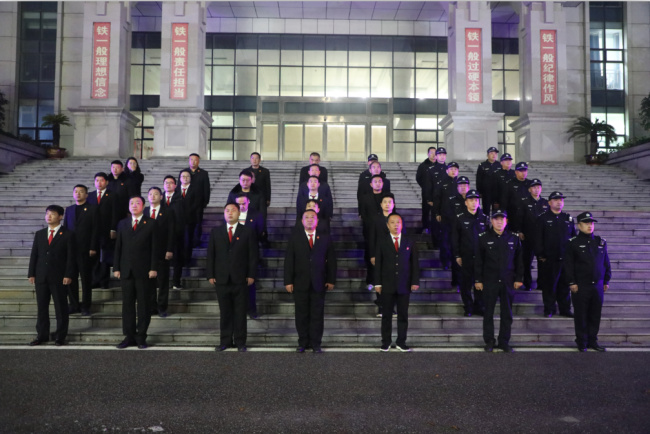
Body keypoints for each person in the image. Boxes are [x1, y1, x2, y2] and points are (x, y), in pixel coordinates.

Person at [207, 203, 259, 352]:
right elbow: (211, 255)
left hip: (241, 278)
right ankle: (225, 341)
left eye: (233, 210)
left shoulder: (247, 231)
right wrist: (210, 274)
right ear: (224, 213)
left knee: (240, 312)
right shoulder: (216, 232)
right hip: (221, 278)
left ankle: (241, 342)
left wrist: (251, 274)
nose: (230, 213)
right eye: (227, 210)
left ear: (239, 213)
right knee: (225, 312)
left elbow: (253, 255)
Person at [284, 209, 337, 353]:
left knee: (317, 315)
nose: (309, 219)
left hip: (319, 282)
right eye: (306, 217)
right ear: (302, 221)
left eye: (312, 217)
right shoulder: (295, 238)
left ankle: (316, 343)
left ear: (317, 221)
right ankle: (303, 342)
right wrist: (288, 281)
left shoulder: (325, 237)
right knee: (301, 314)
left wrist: (331, 279)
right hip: (300, 282)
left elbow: (331, 260)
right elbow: (289, 260)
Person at [475, 210, 524, 353]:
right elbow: (478, 261)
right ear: (491, 221)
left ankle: (504, 341)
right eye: (496, 219)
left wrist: (519, 278)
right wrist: (478, 280)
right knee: (488, 313)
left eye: (502, 219)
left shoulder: (514, 238)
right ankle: (489, 341)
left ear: (506, 221)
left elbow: (519, 261)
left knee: (507, 313)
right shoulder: (483, 237)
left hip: (508, 281)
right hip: (489, 280)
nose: (499, 222)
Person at [113, 196, 159, 349]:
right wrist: (116, 267)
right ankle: (129, 336)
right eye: (131, 203)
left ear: (143, 206)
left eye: (137, 203)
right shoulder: (123, 223)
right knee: (127, 305)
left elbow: (155, 248)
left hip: (144, 271)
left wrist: (153, 268)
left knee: (144, 305)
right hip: (126, 270)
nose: (134, 205)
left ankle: (141, 336)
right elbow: (118, 247)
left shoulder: (151, 223)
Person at [27, 205, 77, 346]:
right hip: (41, 276)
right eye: (47, 214)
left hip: (59, 277)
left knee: (61, 308)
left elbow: (71, 257)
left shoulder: (68, 234)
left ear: (60, 217)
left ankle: (60, 336)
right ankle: (42, 335)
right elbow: (34, 255)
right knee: (42, 308)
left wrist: (68, 274)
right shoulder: (40, 234)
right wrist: (31, 273)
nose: (49, 216)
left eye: (53, 214)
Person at [565, 212, 611, 352]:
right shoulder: (572, 243)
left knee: (595, 314)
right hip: (581, 285)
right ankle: (581, 341)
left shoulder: (600, 242)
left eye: (591, 223)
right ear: (579, 225)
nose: (590, 226)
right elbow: (568, 265)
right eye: (586, 223)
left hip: (597, 284)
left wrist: (606, 280)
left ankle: (593, 340)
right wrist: (571, 282)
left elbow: (606, 263)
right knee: (581, 314)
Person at [374, 212, 420, 352]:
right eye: (392, 222)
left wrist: (414, 281)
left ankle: (401, 341)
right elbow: (378, 264)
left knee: (403, 315)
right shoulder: (382, 241)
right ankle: (386, 342)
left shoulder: (409, 241)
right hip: (387, 284)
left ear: (402, 224)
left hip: (404, 284)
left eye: (398, 222)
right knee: (386, 315)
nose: (396, 225)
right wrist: (377, 283)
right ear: (387, 225)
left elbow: (414, 263)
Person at [534, 191, 576, 318]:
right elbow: (538, 238)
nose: (559, 202)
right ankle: (549, 309)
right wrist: (541, 254)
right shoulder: (543, 218)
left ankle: (565, 309)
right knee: (549, 285)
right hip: (549, 258)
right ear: (549, 202)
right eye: (556, 200)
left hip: (565, 258)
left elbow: (573, 238)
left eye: (561, 200)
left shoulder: (567, 218)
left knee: (564, 285)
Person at [451, 189, 489, 317]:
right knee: (465, 284)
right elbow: (455, 238)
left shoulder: (484, 218)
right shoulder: (459, 218)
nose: (474, 202)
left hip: (481, 258)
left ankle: (479, 306)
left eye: (476, 200)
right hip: (465, 256)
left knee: (480, 283)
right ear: (466, 202)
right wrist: (457, 255)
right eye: (471, 200)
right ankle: (468, 306)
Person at [63, 184, 99, 316]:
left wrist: (93, 247)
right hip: (71, 250)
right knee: (70, 278)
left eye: (81, 191)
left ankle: (86, 306)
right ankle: (73, 304)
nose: (78, 194)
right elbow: (65, 228)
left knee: (86, 279)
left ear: (86, 195)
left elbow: (96, 229)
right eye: (76, 191)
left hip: (86, 249)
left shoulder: (93, 209)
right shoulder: (70, 209)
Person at [144, 187, 175, 318]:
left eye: (156, 194)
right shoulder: (144, 211)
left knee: (162, 281)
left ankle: (162, 307)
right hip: (146, 252)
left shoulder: (167, 212)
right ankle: (152, 306)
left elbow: (172, 231)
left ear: (161, 197)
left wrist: (169, 249)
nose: (153, 196)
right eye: (150, 194)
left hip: (162, 251)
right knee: (149, 281)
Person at [234, 194, 264, 319]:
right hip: (234, 254)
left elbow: (259, 231)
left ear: (248, 202)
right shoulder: (232, 214)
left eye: (243, 204)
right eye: (239, 204)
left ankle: (251, 310)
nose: (241, 206)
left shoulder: (256, 215)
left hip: (250, 252)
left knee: (250, 285)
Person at [87, 172, 117, 289]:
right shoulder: (90, 195)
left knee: (105, 256)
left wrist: (113, 228)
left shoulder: (113, 195)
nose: (99, 183)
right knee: (93, 256)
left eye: (102, 180)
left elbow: (115, 213)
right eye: (97, 180)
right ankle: (94, 280)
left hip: (106, 230)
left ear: (107, 182)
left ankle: (104, 281)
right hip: (92, 231)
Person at [369, 193, 397, 317]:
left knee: (393, 281)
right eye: (385, 202)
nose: (387, 204)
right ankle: (381, 307)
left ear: (393, 204)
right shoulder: (375, 219)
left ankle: (391, 307)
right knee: (379, 281)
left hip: (394, 254)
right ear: (381, 204)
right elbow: (371, 238)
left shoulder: (397, 219)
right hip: (379, 254)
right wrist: (372, 255)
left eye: (390, 202)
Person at [359, 175, 388, 290]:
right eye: (375, 181)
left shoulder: (387, 197)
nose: (378, 183)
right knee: (371, 255)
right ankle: (371, 280)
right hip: (370, 230)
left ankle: (383, 280)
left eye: (380, 181)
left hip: (385, 230)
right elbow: (363, 214)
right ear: (371, 184)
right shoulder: (365, 198)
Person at [519, 179, 549, 291]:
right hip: (528, 236)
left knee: (542, 261)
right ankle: (527, 283)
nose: (536, 190)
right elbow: (520, 217)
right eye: (534, 187)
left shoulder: (545, 203)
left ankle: (542, 283)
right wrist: (520, 231)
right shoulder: (524, 202)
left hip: (542, 237)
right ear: (529, 189)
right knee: (526, 261)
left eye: (538, 187)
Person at [174, 170, 202, 290]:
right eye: (183, 176)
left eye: (187, 176)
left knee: (188, 239)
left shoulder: (195, 189)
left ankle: (187, 259)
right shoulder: (175, 190)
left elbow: (197, 204)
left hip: (190, 219)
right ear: (179, 178)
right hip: (176, 221)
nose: (185, 178)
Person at [432, 162, 460, 275]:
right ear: (447, 170)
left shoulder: (460, 184)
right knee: (445, 240)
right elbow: (437, 199)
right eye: (451, 169)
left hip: (458, 218)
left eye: (455, 169)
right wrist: (437, 213)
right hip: (445, 217)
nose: (453, 171)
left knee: (456, 241)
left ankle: (455, 261)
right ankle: (445, 262)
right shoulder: (442, 183)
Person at [162, 175, 185, 290]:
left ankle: (176, 282)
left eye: (171, 183)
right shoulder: (160, 199)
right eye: (166, 182)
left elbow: (182, 218)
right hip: (161, 235)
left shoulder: (180, 200)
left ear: (175, 186)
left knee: (177, 259)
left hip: (176, 234)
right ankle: (161, 283)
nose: (168, 184)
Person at [184, 153, 211, 243]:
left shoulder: (203, 173)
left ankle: (196, 241)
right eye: (191, 159)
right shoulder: (184, 173)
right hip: (185, 204)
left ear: (198, 161)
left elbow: (206, 188)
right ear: (189, 161)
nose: (193, 162)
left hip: (198, 204)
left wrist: (205, 202)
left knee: (198, 223)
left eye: (195, 160)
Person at [423, 147, 448, 246]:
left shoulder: (449, 169)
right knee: (435, 223)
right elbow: (428, 185)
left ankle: (445, 243)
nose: (442, 156)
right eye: (440, 155)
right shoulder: (431, 170)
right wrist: (429, 199)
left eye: (444, 155)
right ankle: (436, 243)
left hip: (446, 201)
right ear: (436, 156)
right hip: (435, 200)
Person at [500, 161, 532, 233]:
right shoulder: (509, 184)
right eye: (521, 171)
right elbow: (504, 201)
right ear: (516, 172)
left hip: (528, 217)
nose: (523, 173)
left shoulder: (530, 184)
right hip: (513, 216)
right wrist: (504, 216)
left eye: (525, 170)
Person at [248, 152, 271, 245]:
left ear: (260, 160)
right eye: (252, 158)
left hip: (261, 200)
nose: (254, 160)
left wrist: (268, 199)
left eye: (256, 158)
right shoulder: (246, 171)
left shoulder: (265, 171)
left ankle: (263, 238)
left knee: (262, 218)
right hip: (250, 199)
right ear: (250, 159)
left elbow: (268, 186)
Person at [416, 147, 438, 234]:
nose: (433, 155)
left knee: (436, 211)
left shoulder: (440, 165)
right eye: (431, 153)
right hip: (426, 193)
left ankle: (436, 227)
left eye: (435, 153)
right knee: (426, 210)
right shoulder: (423, 166)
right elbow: (418, 178)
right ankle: (425, 227)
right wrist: (425, 186)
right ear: (428, 154)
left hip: (437, 193)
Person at [476, 147, 500, 217]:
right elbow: (479, 179)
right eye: (491, 153)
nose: (494, 155)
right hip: (486, 193)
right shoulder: (482, 165)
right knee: (486, 211)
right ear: (487, 155)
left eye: (495, 153)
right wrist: (479, 191)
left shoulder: (499, 165)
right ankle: (486, 223)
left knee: (496, 212)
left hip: (496, 193)